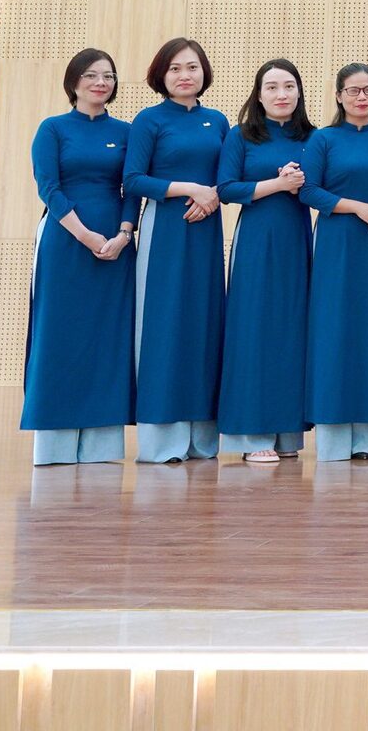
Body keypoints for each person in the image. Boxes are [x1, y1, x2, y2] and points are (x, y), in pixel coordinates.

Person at [23, 49, 136, 466]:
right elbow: (48, 187)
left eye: (108, 76)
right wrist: (85, 235)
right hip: (66, 240)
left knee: (109, 337)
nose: (100, 83)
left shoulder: (126, 132)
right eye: (91, 75)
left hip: (116, 245)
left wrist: (124, 234)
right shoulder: (52, 128)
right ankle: (54, 444)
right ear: (74, 82)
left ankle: (101, 446)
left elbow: (132, 187)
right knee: (59, 333)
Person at [123, 37, 231, 464]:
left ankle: (202, 440)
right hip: (165, 230)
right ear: (161, 75)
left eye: (192, 67)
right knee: (164, 324)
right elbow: (133, 180)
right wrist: (190, 189)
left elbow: (229, 176)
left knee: (204, 325)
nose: (185, 75)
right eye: (175, 68)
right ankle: (162, 441)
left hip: (206, 231)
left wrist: (212, 196)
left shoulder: (217, 121)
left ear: (204, 72)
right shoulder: (149, 120)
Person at [300, 63, 368, 461]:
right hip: (335, 246)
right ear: (339, 96)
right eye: (353, 91)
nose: (362, 98)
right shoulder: (323, 139)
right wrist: (356, 207)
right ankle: (332, 435)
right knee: (333, 331)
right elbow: (308, 191)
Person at [216, 58, 316, 464]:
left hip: (297, 239)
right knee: (253, 328)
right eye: (272, 87)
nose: (281, 94)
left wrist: (301, 184)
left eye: (289, 86)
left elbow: (323, 186)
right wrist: (278, 183)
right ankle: (252, 432)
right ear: (259, 95)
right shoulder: (241, 136)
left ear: (299, 92)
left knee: (292, 330)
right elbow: (226, 188)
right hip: (257, 240)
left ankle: (287, 433)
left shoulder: (314, 137)